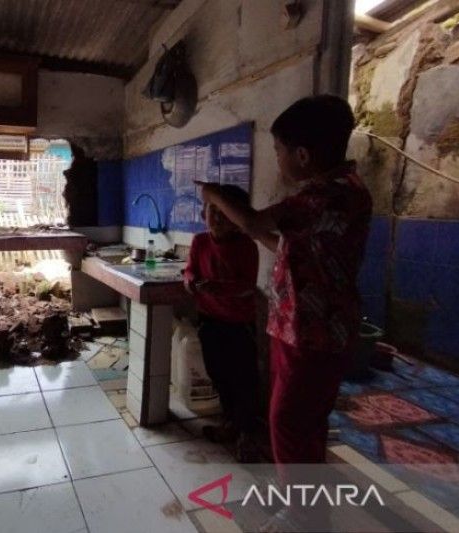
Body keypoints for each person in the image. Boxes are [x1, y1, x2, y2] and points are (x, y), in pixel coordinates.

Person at [197, 95, 371, 530]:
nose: (277, 159)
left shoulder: (324, 195)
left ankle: (301, 517)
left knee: (288, 422)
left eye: (278, 151)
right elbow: (289, 246)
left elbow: (254, 223)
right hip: (307, 327)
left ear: (303, 155)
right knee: (305, 421)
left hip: (312, 330)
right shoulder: (345, 192)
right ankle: (306, 503)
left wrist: (213, 194)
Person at [183, 185, 260, 462]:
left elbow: (247, 286)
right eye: (212, 210)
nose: (216, 217)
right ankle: (230, 424)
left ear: (238, 218)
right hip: (210, 321)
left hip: (239, 326)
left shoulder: (247, 246)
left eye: (225, 213)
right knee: (219, 375)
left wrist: (217, 288)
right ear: (204, 212)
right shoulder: (200, 241)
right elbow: (189, 270)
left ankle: (248, 434)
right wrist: (191, 282)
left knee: (244, 381)